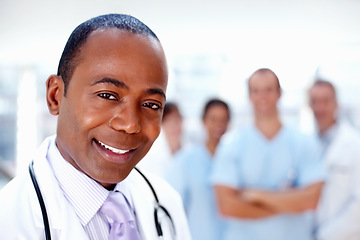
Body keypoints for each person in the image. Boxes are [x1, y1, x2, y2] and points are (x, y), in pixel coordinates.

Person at [0, 14, 191, 240]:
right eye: (107, 95)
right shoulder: (9, 220)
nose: (130, 124)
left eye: (151, 104)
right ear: (55, 96)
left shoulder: (165, 202)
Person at [211, 68, 325, 240]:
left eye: (269, 90)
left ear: (279, 94)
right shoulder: (232, 145)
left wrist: (257, 195)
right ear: (249, 96)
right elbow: (227, 206)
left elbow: (311, 200)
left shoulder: (304, 143)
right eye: (256, 91)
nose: (263, 96)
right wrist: (290, 202)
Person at [166, 98, 231, 240]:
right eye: (213, 119)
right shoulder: (185, 160)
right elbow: (172, 207)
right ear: (203, 120)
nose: (218, 125)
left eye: (223, 119)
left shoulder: (233, 159)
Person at [309, 79, 360, 240]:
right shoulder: (307, 144)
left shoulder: (354, 145)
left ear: (336, 104)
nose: (319, 108)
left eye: (325, 101)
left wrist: (325, 235)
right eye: (314, 101)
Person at [137, 102, 183, 178]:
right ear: (161, 125)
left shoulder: (188, 150)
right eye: (168, 121)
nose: (174, 126)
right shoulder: (152, 155)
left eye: (177, 120)